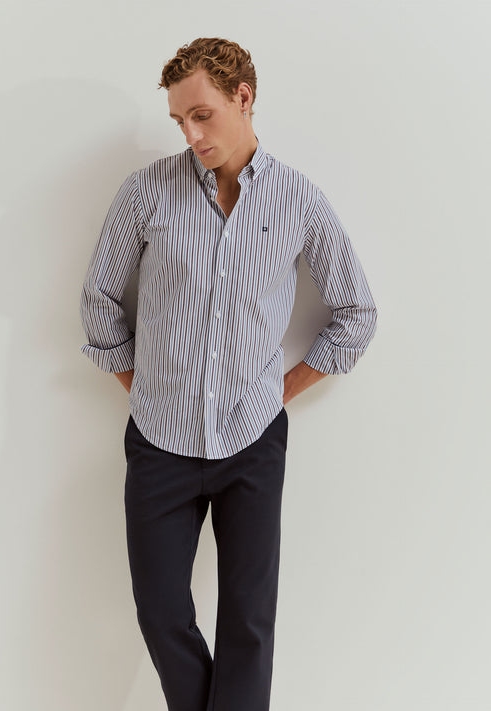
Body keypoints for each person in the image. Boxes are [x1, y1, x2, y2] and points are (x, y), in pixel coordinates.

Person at [80, 36, 377, 711]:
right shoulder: (146, 192)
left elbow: (356, 313)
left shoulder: (298, 201)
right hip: (159, 442)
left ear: (244, 98)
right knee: (160, 610)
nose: (190, 134)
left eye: (202, 114)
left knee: (248, 621)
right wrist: (142, 388)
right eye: (179, 120)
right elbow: (98, 301)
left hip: (252, 441)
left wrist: (280, 390)